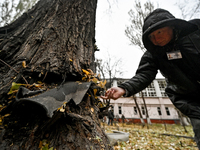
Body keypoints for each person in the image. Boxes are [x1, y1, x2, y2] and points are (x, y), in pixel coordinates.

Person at [101, 8, 200, 149]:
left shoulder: (196, 31)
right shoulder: (153, 54)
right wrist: (124, 88)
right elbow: (144, 74)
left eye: (159, 32)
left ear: (172, 25)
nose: (156, 39)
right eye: (151, 37)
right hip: (191, 100)